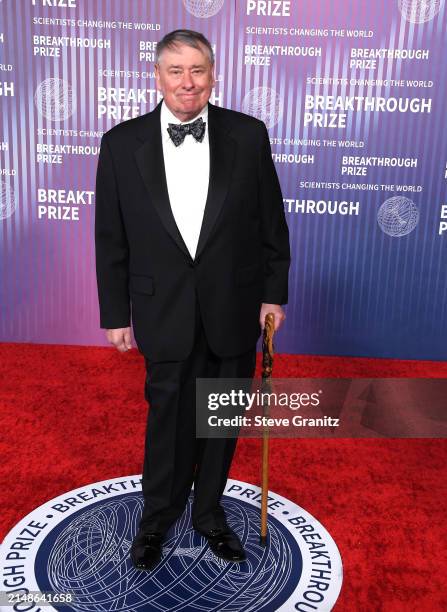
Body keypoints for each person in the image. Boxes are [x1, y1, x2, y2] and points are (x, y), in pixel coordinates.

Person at [94, 29, 290, 571]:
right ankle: (155, 518)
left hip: (234, 305)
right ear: (157, 77)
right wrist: (115, 315)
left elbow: (271, 223)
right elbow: (110, 239)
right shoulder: (120, 143)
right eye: (176, 71)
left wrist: (274, 294)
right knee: (169, 418)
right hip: (162, 310)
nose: (188, 82)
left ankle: (209, 514)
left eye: (197, 70)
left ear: (213, 74)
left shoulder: (248, 135)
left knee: (220, 418)